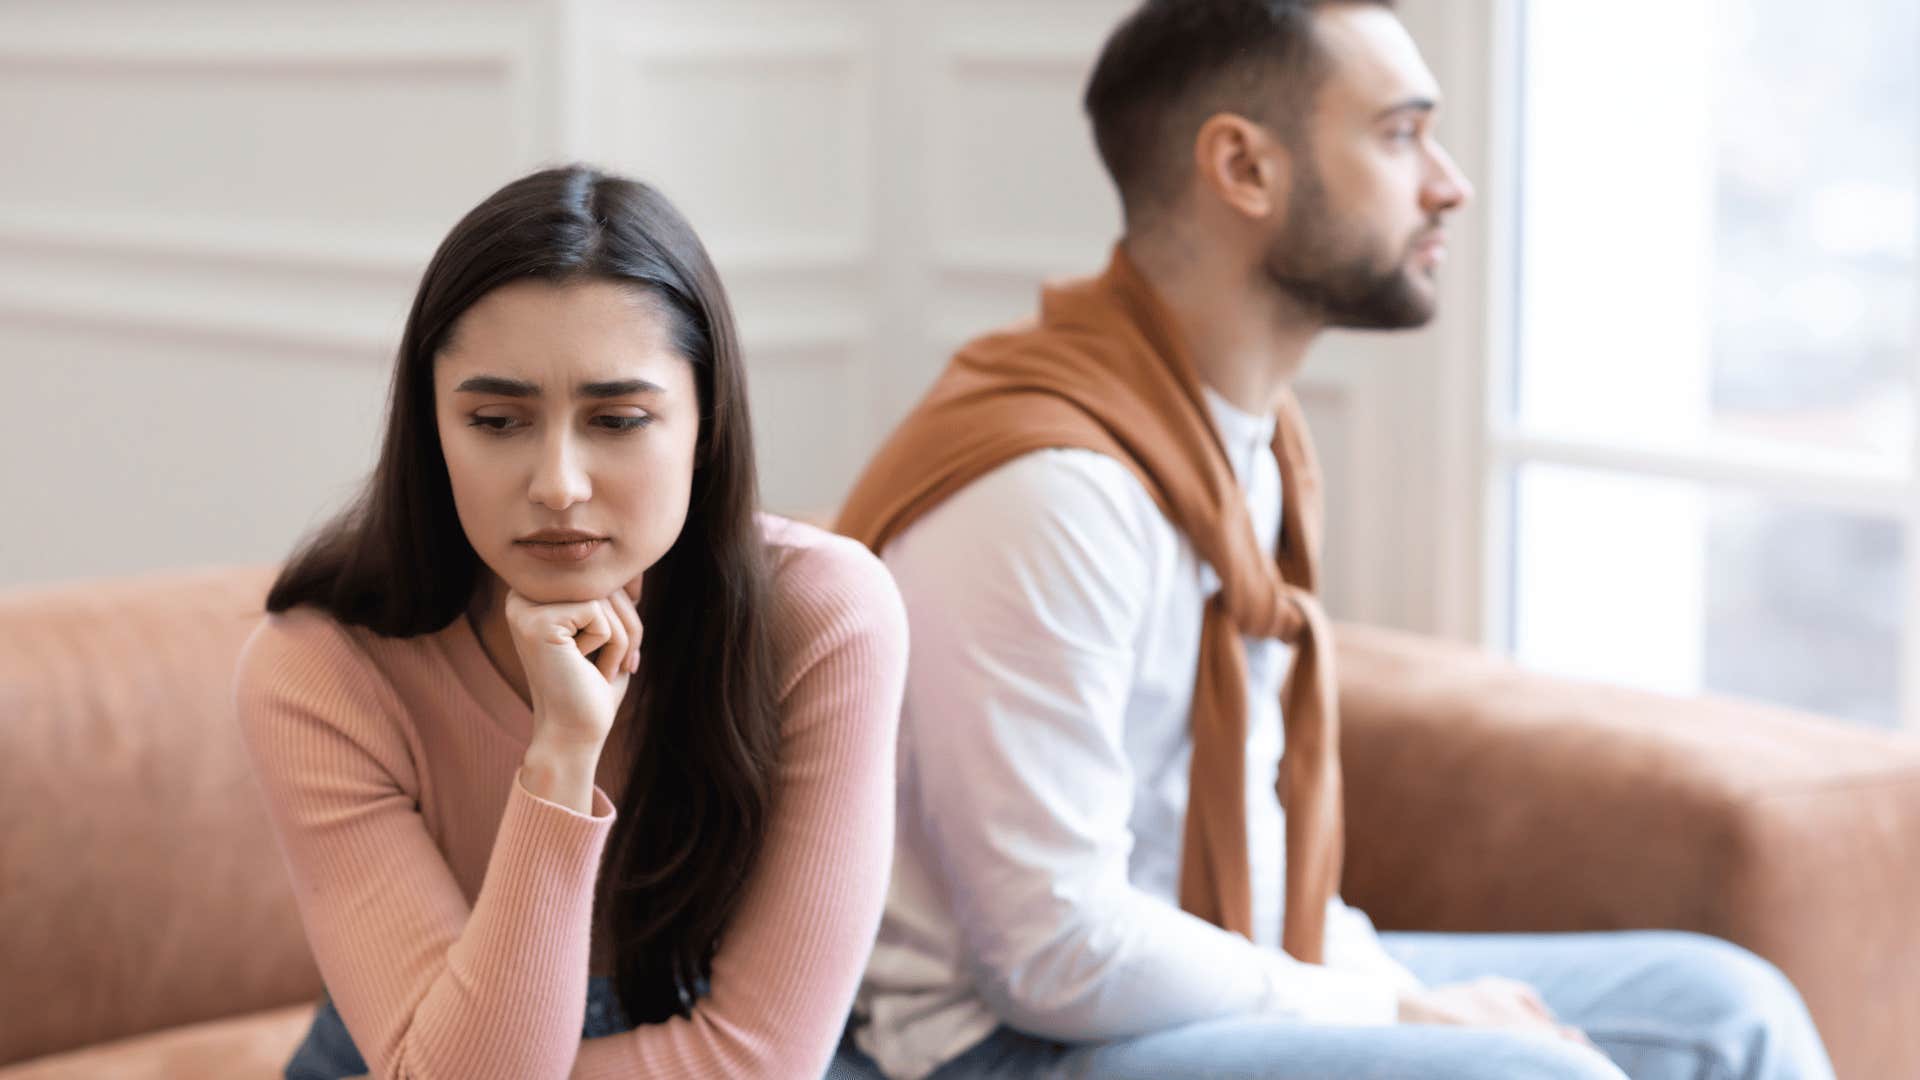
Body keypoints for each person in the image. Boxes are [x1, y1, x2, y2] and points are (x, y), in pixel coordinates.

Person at [833, 3, 1836, 1078]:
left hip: (1190, 971)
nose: (1448, 182)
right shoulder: (1052, 492)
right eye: (1401, 135)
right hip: (990, 1044)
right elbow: (1052, 952)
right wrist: (1398, 1016)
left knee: (1731, 1006)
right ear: (1245, 169)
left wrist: (1396, 994)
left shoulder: (1233, 446)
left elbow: (1245, 856)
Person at [236, 165, 907, 1079]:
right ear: (433, 429)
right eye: (498, 420)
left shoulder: (826, 617)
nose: (558, 485)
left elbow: (760, 1062)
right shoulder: (320, 667)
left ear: (706, 422)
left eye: (620, 418)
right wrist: (560, 757)